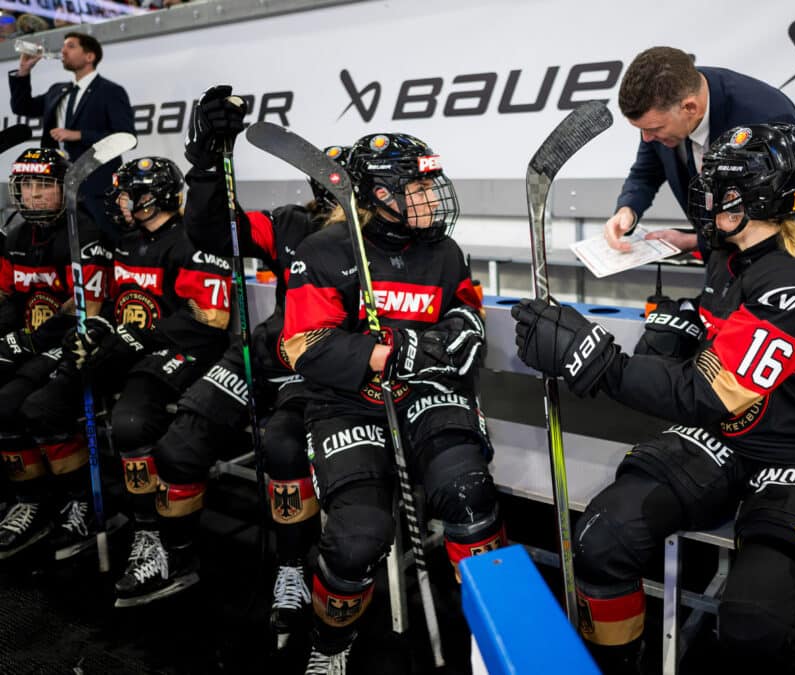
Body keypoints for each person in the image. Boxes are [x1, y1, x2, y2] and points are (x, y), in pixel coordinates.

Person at [514, 123, 795, 674]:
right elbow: (717, 348)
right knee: (602, 538)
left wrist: (595, 359)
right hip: (737, 436)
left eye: (721, 191)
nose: (707, 199)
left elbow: (710, 394)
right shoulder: (729, 255)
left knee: (758, 621)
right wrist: (685, 324)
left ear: (760, 199)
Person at [107, 85, 330, 649]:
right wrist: (209, 162)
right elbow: (212, 229)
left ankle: (292, 568)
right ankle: (174, 556)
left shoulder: (386, 248)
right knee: (177, 447)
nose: (337, 204)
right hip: (263, 353)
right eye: (331, 191)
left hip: (324, 368)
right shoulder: (291, 225)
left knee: (283, 449)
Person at [282, 133, 503, 673]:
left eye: (431, 184)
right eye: (417, 188)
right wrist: (392, 351)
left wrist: (462, 330)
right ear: (378, 195)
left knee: (468, 492)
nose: (432, 197)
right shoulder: (325, 251)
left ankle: (496, 640)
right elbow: (304, 346)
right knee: (357, 538)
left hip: (429, 394)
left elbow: (466, 314)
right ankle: (329, 644)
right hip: (349, 403)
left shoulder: (444, 252)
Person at [6, 156, 233, 572]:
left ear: (156, 197)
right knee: (41, 406)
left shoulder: (194, 241)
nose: (121, 201)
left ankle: (153, 534)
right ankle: (83, 508)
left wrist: (133, 337)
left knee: (130, 422)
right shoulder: (128, 242)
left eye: (129, 194)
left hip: (178, 350)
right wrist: (95, 329)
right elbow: (115, 303)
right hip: (131, 345)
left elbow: (210, 320)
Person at [604, 46, 795, 258]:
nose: (647, 138)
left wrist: (695, 241)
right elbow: (646, 173)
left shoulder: (763, 118)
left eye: (654, 129)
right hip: (732, 238)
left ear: (690, 108)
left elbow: (768, 222)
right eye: (642, 130)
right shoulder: (664, 108)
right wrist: (628, 210)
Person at [0, 147, 112, 560]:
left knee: (25, 405)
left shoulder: (84, 233)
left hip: (71, 341)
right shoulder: (16, 237)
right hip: (30, 341)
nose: (32, 195)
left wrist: (28, 341)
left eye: (43, 186)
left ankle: (78, 501)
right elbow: (7, 295)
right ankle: (29, 500)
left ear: (65, 189)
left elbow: (86, 308)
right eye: (26, 185)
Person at [8, 32, 135, 243]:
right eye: (63, 46)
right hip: (57, 187)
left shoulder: (110, 91)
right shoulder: (58, 90)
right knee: (61, 243)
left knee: (102, 241)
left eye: (71, 46)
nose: (63, 51)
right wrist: (23, 71)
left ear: (89, 56)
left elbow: (127, 136)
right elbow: (22, 107)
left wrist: (79, 135)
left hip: (95, 185)